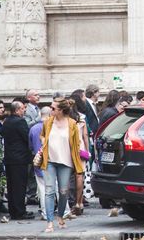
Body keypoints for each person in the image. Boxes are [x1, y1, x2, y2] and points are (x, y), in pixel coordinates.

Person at [40, 98, 84, 233]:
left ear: (61, 110)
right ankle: (49, 222)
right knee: (49, 191)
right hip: (50, 161)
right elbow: (42, 136)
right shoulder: (48, 122)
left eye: (53, 108)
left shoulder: (72, 124)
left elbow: (77, 143)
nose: (50, 110)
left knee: (64, 192)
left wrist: (78, 162)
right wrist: (44, 144)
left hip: (66, 162)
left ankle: (60, 216)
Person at [1, 101, 35, 220]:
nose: (24, 110)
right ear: (16, 110)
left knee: (11, 186)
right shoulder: (20, 121)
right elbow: (26, 137)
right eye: (22, 108)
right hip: (20, 158)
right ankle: (20, 212)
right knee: (20, 186)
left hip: (10, 158)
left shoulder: (7, 121)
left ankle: (13, 211)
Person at [29, 106, 51, 220]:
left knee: (42, 189)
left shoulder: (33, 129)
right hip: (51, 161)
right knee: (54, 188)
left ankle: (45, 212)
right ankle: (62, 210)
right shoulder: (51, 127)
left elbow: (31, 146)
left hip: (38, 161)